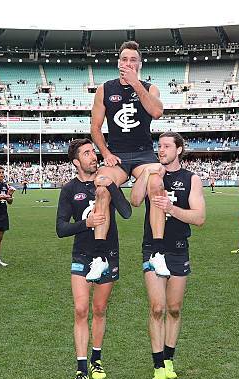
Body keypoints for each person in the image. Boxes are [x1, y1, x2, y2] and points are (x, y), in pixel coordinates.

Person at [130, 132, 206, 379]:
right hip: (153, 247)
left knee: (174, 308)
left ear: (179, 150)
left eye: (166, 146)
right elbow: (136, 201)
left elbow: (199, 218)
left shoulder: (191, 179)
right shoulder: (151, 173)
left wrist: (171, 209)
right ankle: (158, 367)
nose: (160, 150)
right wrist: (147, 173)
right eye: (158, 146)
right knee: (157, 308)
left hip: (178, 248)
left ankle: (169, 358)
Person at [89, 40, 164, 277]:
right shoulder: (105, 89)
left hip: (144, 154)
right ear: (118, 62)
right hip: (117, 155)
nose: (128, 63)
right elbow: (95, 127)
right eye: (124, 59)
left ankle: (158, 252)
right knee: (100, 186)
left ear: (140, 64)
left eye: (133, 60)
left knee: (157, 184)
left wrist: (136, 85)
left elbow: (157, 112)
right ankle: (100, 257)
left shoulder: (150, 88)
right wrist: (106, 154)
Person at [57, 138, 121, 379]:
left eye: (93, 152)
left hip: (108, 254)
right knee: (81, 309)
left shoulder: (105, 182)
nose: (93, 156)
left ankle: (97, 358)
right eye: (87, 153)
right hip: (82, 254)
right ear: (76, 161)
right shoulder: (69, 190)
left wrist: (112, 186)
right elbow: (61, 228)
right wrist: (86, 224)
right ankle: (81, 369)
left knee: (100, 308)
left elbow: (126, 212)